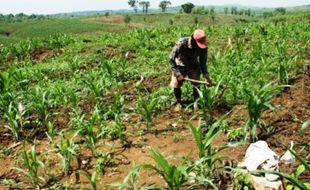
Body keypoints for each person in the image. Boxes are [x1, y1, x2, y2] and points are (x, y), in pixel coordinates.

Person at [169, 29, 212, 108]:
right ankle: (179, 102)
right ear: (193, 39)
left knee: (197, 84)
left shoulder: (203, 48)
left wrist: (206, 76)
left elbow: (203, 63)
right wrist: (178, 74)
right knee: (176, 85)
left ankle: (197, 102)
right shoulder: (181, 43)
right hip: (180, 65)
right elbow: (171, 60)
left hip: (193, 65)